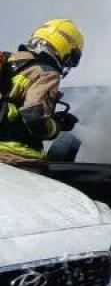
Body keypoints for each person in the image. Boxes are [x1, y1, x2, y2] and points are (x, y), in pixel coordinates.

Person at [1, 19, 84, 173]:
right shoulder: (46, 72)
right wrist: (57, 126)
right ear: (66, 50)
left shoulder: (8, 62)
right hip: (18, 160)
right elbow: (33, 116)